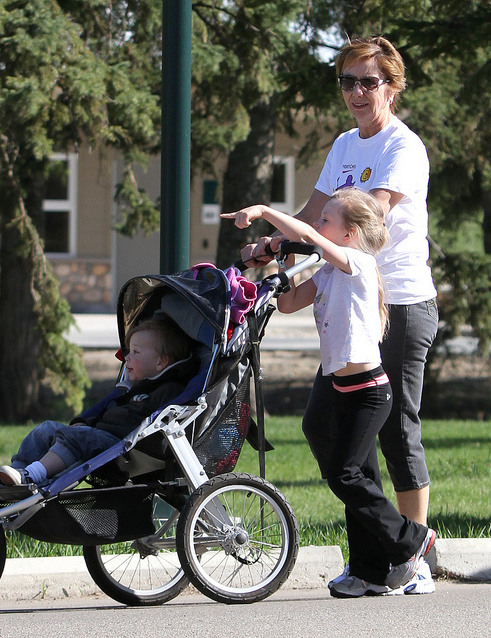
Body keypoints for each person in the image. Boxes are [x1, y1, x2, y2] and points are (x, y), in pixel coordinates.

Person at [238, 35, 438, 595]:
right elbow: (312, 214)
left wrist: (294, 237)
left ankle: (412, 556)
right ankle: (374, 561)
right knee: (336, 430)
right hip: (349, 302)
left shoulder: (403, 147)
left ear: (392, 87)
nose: (355, 92)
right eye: (347, 80)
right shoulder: (345, 145)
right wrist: (273, 247)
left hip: (397, 300)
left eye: (367, 81)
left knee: (395, 431)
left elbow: (366, 214)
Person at [221, 188, 436, 597]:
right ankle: (370, 570)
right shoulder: (328, 272)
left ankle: (411, 539)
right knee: (359, 477)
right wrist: (279, 259)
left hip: (370, 392)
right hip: (342, 389)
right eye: (319, 220)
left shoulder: (358, 262)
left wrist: (268, 214)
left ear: (349, 233)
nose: (318, 225)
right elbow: (289, 303)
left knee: (344, 474)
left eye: (325, 220)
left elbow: (312, 239)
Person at [0, 318, 197, 488]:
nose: (127, 357)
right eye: (128, 351)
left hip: (128, 445)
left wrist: (86, 430)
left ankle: (34, 477)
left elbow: (153, 423)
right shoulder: (131, 389)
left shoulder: (169, 390)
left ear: (161, 363)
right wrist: (82, 422)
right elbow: (103, 410)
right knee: (47, 429)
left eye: (135, 352)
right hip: (100, 437)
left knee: (78, 437)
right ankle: (18, 473)